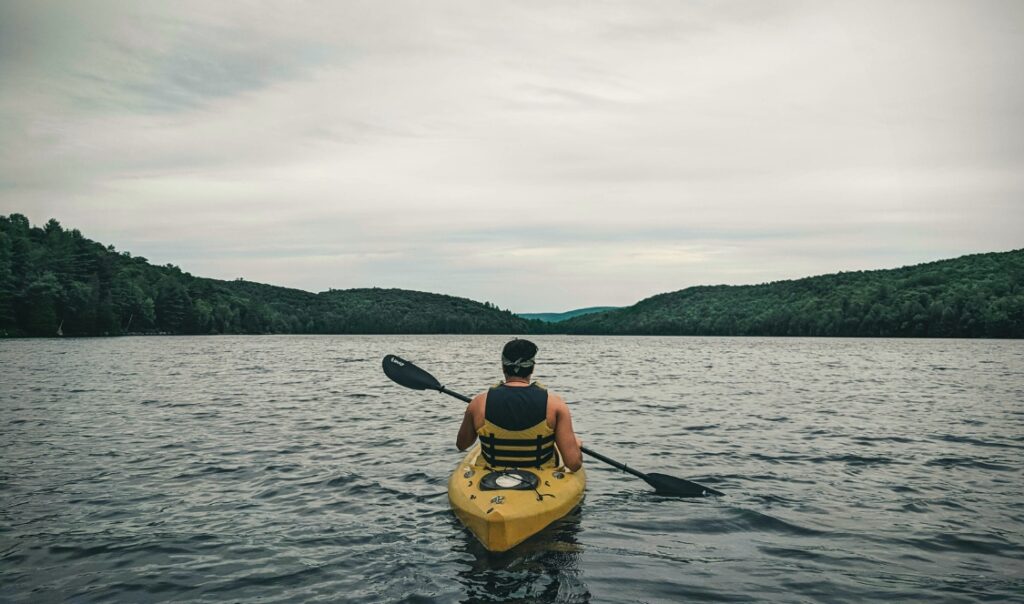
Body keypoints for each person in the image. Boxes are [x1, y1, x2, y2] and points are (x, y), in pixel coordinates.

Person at [456, 339, 583, 471]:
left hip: (489, 479)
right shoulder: (555, 405)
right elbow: (573, 463)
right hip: (542, 481)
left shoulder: (478, 403)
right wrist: (574, 445)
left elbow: (462, 444)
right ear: (532, 368)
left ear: (503, 367)